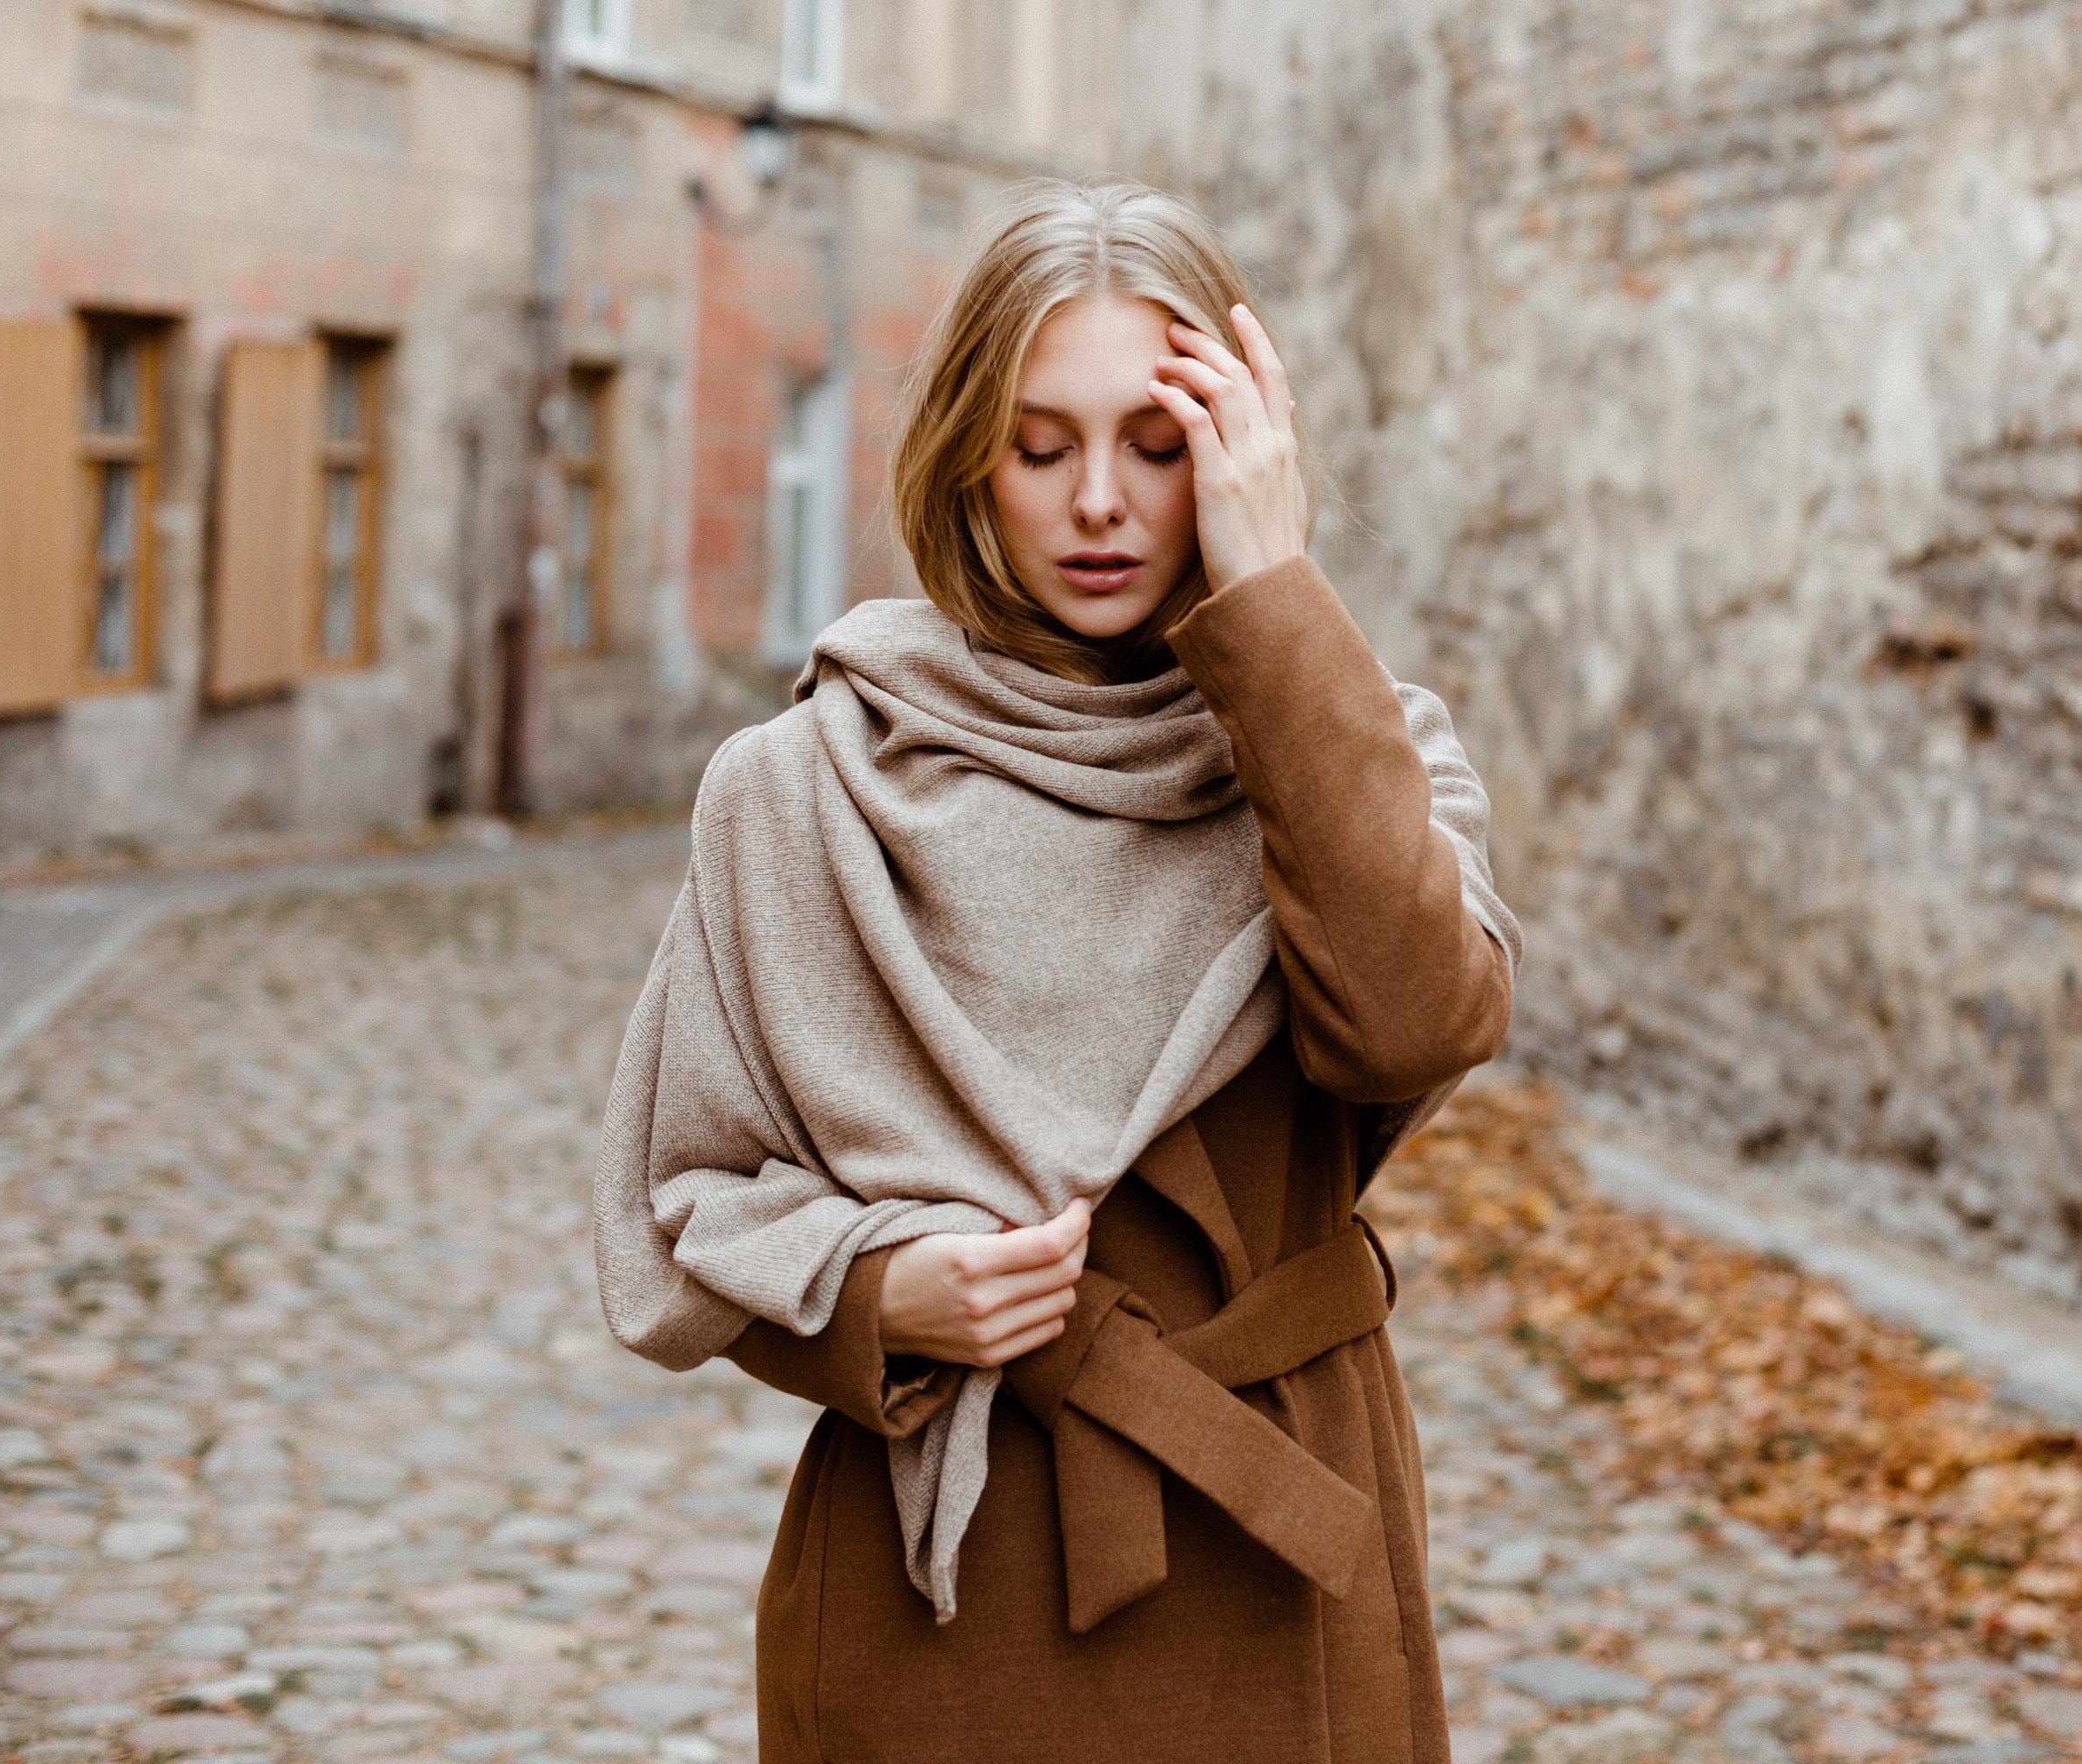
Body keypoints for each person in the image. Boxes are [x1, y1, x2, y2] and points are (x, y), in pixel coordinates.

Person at [593, 179, 1519, 1764]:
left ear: (1240, 453)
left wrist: (1275, 602)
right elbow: (689, 1197)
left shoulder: (1345, 746)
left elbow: (1416, 1025)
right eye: (1042, 446)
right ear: (969, 457)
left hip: (1282, 1559)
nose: (1100, 499)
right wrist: (879, 1298)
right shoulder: (803, 784)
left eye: (1158, 445)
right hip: (950, 1596)